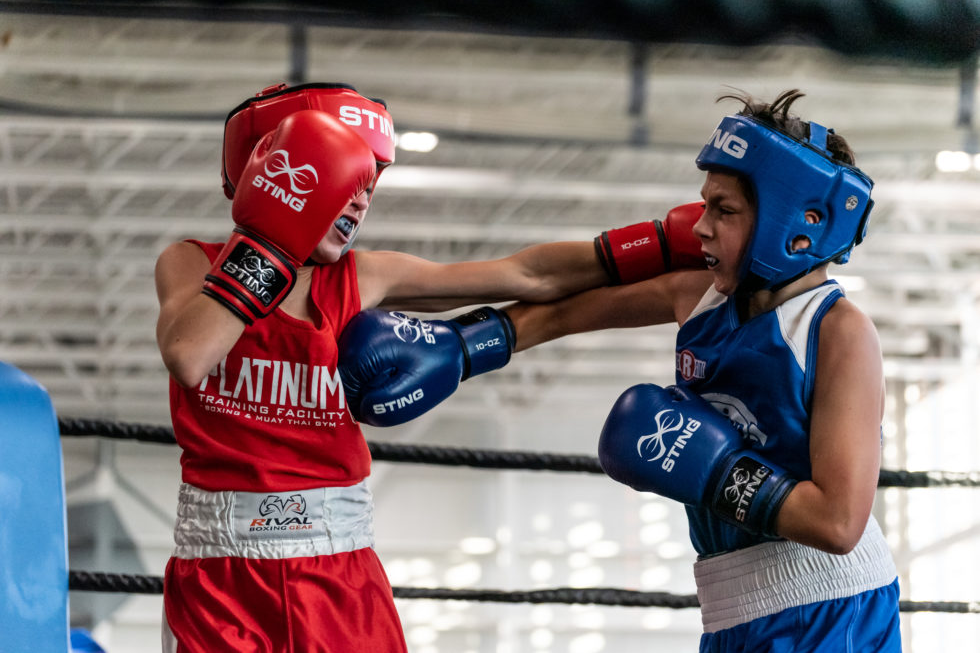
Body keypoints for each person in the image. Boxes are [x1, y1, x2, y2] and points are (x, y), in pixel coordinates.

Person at [339, 89, 902, 652]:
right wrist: (464, 346)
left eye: (724, 210)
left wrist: (716, 468)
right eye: (705, 205)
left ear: (794, 225)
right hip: (732, 608)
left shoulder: (838, 332)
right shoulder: (701, 298)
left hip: (833, 612)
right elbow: (564, 309)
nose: (700, 227)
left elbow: (838, 523)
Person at [154, 81, 706, 652]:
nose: (361, 200)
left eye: (369, 184)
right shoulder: (189, 263)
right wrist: (273, 235)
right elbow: (189, 356)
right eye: (344, 176)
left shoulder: (363, 277)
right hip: (220, 578)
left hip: (338, 574)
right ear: (276, 166)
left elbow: (526, 276)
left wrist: (660, 243)